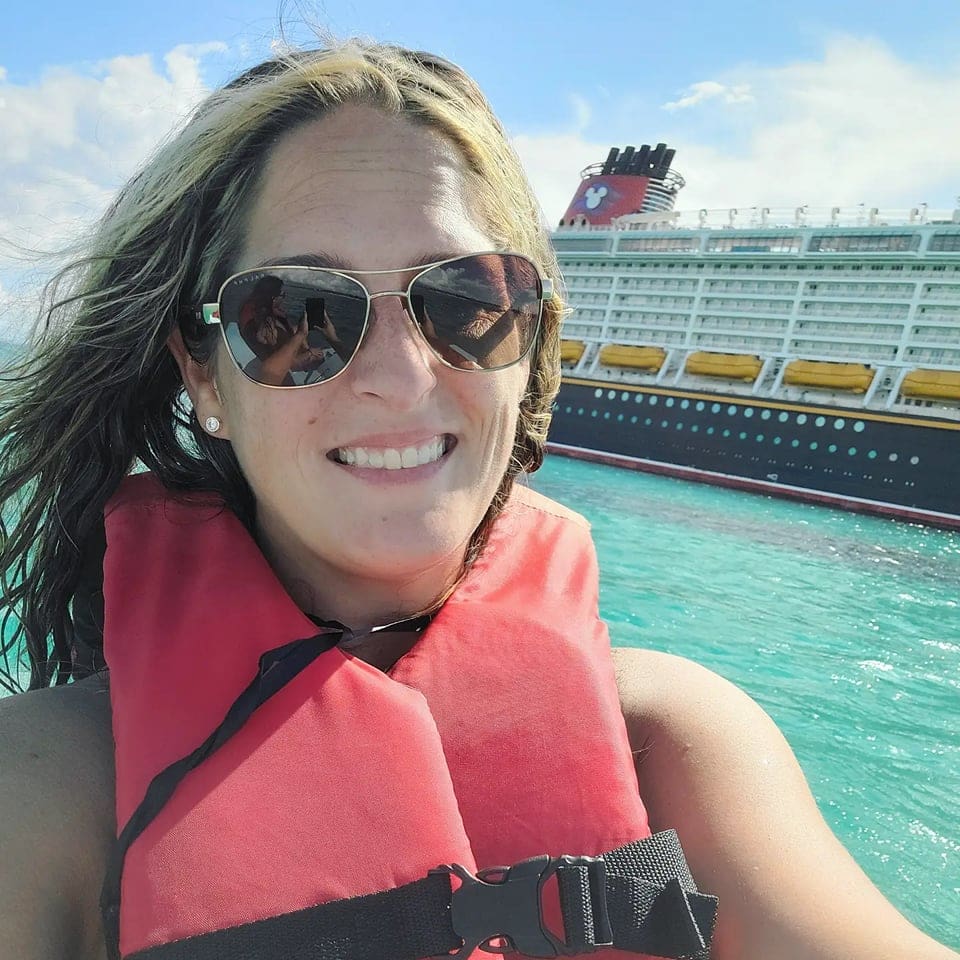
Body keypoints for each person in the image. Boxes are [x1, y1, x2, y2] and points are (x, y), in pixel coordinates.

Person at [0, 40, 955, 960]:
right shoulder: (50, 785)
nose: (400, 375)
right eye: (296, 315)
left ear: (532, 342)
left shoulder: (672, 741)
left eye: (466, 300)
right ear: (205, 377)